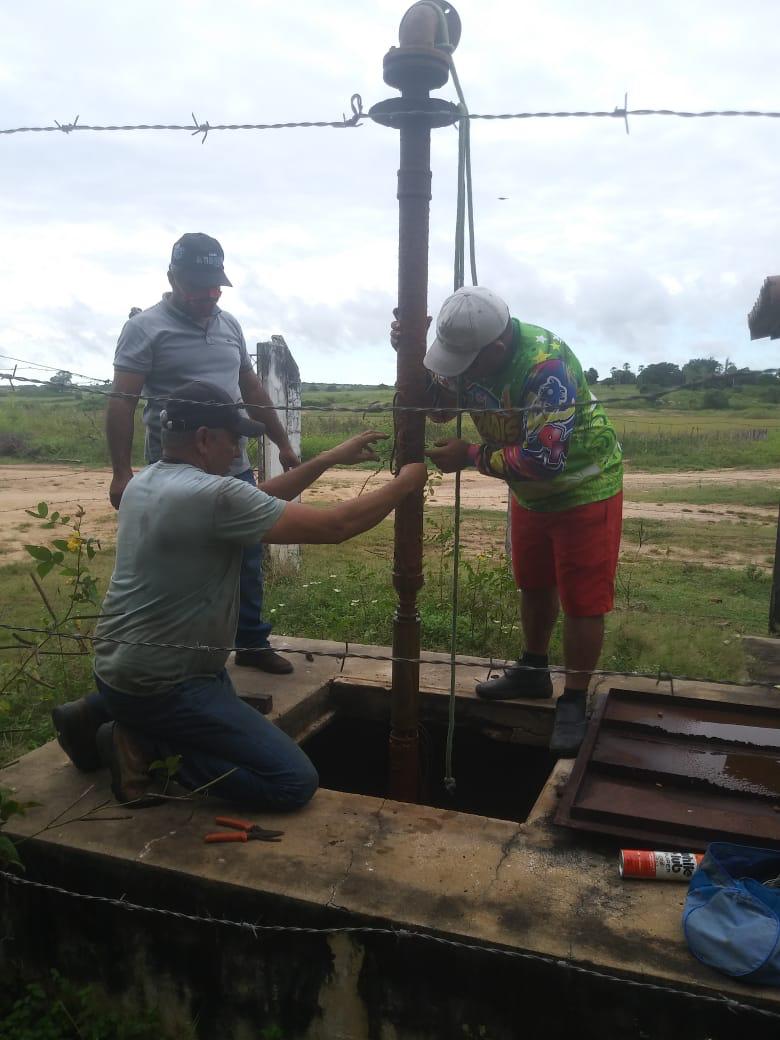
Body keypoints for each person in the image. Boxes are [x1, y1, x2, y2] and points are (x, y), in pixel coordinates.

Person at [53, 381, 428, 808]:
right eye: (233, 439)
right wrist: (405, 484)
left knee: (206, 703)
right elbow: (334, 527)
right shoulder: (213, 495)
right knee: (292, 781)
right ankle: (144, 749)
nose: (237, 451)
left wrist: (326, 459)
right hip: (169, 686)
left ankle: (98, 710)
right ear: (204, 438)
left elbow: (257, 500)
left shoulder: (147, 483)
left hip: (117, 671)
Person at [393, 286, 623, 756]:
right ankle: (533, 671)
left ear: (495, 348)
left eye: (467, 362)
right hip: (530, 496)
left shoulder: (545, 368)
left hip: (583, 489)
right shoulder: (474, 358)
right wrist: (411, 356)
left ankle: (574, 698)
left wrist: (471, 454)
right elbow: (440, 407)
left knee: (583, 599)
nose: (461, 372)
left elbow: (545, 459)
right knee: (534, 583)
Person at [106, 233, 297, 675]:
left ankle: (250, 640)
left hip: (232, 460)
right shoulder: (145, 329)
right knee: (181, 561)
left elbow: (251, 390)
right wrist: (120, 472)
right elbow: (122, 400)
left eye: (215, 286)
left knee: (248, 551)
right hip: (176, 466)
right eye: (197, 285)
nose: (208, 295)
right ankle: (171, 650)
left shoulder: (229, 324)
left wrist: (282, 442)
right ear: (172, 278)